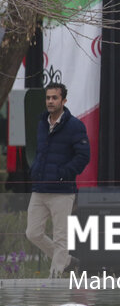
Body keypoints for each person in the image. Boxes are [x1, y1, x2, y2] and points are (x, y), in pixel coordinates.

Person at [26, 83, 90, 278]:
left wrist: (63, 174)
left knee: (61, 238)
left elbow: (83, 156)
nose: (50, 101)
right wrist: (36, 171)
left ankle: (55, 277)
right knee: (33, 233)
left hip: (62, 191)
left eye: (55, 98)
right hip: (40, 188)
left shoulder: (75, 126)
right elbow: (39, 152)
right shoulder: (42, 123)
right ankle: (68, 262)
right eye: (48, 98)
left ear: (64, 101)